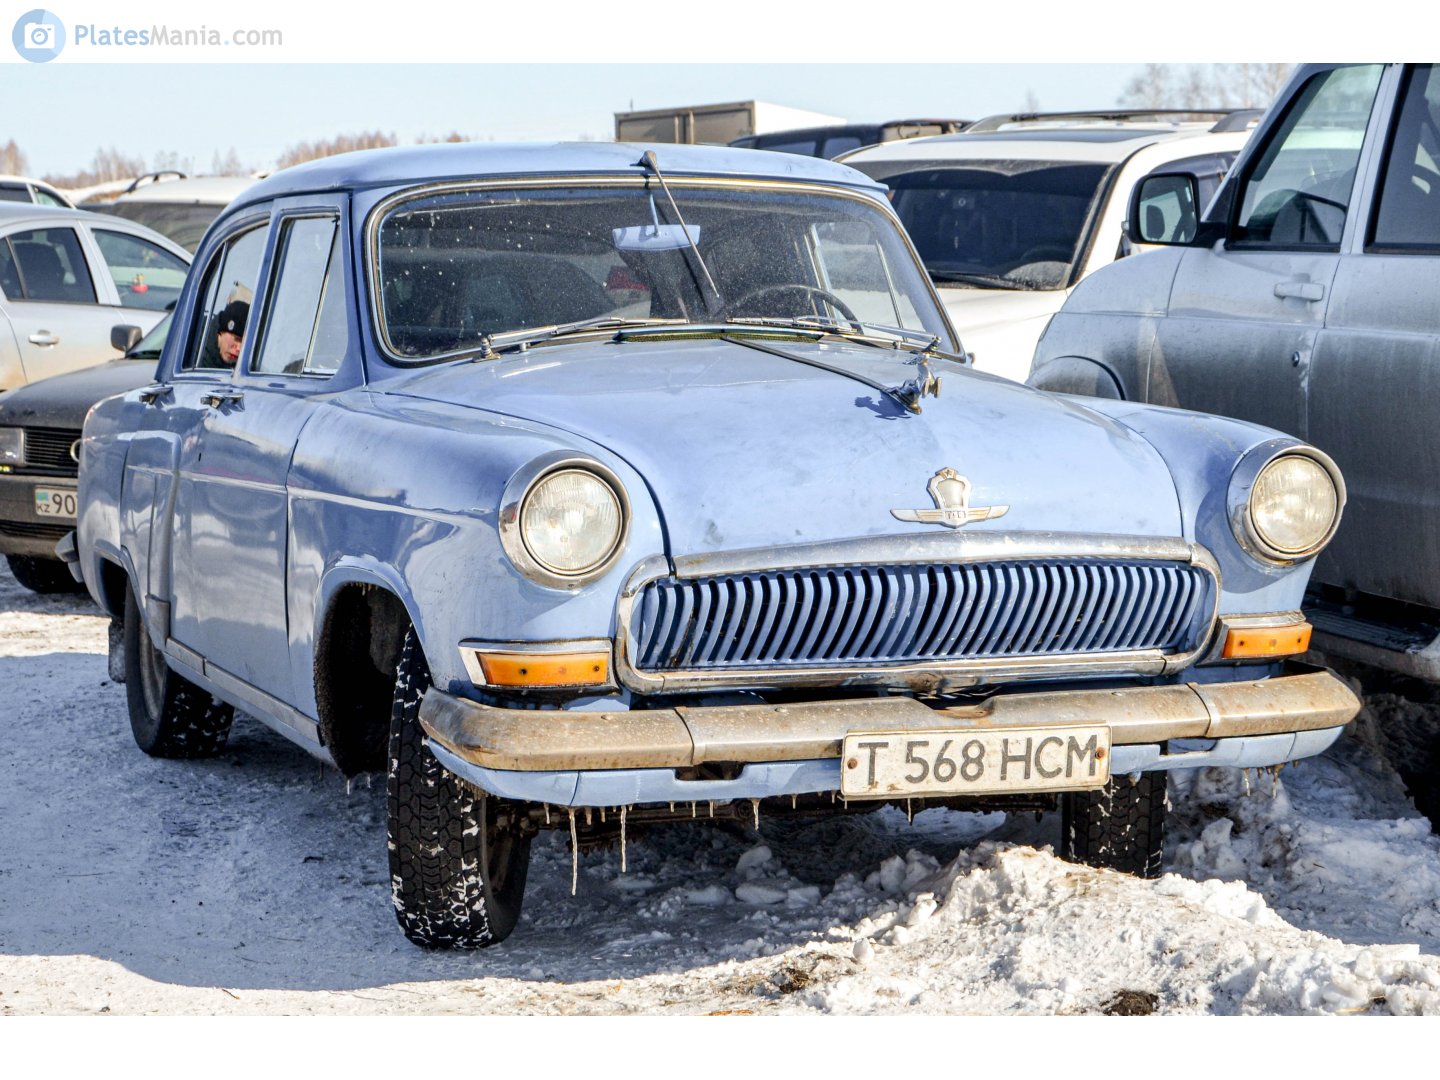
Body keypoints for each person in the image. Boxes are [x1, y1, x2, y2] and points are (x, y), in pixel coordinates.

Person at [214, 299, 248, 366]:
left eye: (246, 344)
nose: (239, 348)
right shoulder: (193, 355)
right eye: (237, 339)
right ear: (221, 332)